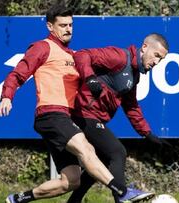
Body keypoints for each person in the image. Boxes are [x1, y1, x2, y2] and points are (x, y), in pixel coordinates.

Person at [0, 4, 151, 203]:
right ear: (50, 27)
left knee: (70, 181)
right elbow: (18, 73)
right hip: (51, 114)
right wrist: (7, 96)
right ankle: (122, 192)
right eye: (63, 25)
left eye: (71, 24)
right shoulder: (43, 47)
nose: (68, 28)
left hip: (66, 118)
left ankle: (17, 199)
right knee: (86, 148)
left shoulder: (73, 56)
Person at [67, 33, 170, 203]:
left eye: (161, 60)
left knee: (101, 162)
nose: (157, 63)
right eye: (156, 56)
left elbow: (131, 106)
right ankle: (122, 198)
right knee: (117, 152)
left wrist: (147, 134)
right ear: (144, 47)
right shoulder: (119, 57)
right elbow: (81, 55)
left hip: (94, 118)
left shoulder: (135, 75)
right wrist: (90, 78)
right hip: (83, 113)